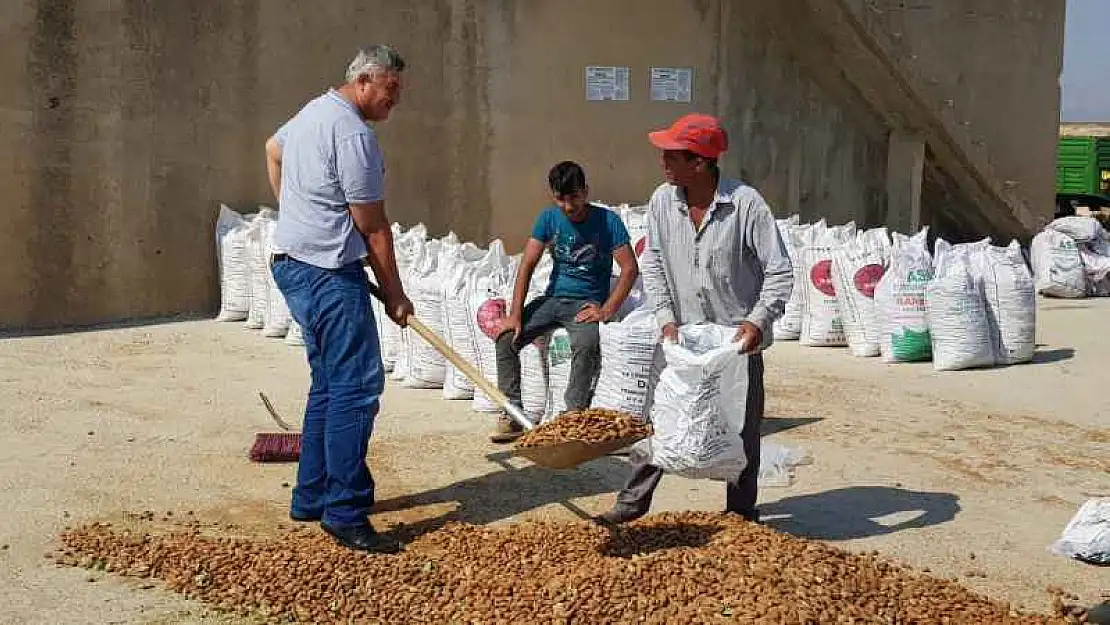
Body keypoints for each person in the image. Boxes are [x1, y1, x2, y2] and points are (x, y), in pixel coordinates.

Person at [596, 113, 793, 525]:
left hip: (736, 343)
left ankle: (741, 514)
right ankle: (631, 504)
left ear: (700, 162)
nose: (662, 161)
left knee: (742, 427)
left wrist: (756, 323)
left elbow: (779, 272)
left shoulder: (746, 205)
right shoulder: (663, 201)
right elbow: (652, 264)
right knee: (662, 420)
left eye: (671, 155)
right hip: (682, 336)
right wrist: (665, 317)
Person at [264, 45, 412, 553]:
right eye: (391, 91)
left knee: (328, 384)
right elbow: (373, 232)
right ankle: (344, 511)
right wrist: (395, 296)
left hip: (292, 266)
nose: (396, 102)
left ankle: (311, 496)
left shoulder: (312, 112)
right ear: (366, 81)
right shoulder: (353, 135)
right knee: (357, 386)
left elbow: (272, 149)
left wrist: (296, 217)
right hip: (328, 276)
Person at [489, 161, 640, 442]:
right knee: (506, 338)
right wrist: (515, 316)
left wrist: (606, 310)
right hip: (553, 299)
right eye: (561, 198)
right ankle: (511, 413)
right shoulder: (548, 219)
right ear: (553, 195)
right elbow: (527, 265)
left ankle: (573, 416)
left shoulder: (608, 222)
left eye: (574, 197)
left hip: (585, 304)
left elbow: (630, 268)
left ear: (586, 191)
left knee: (586, 345)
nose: (568, 206)